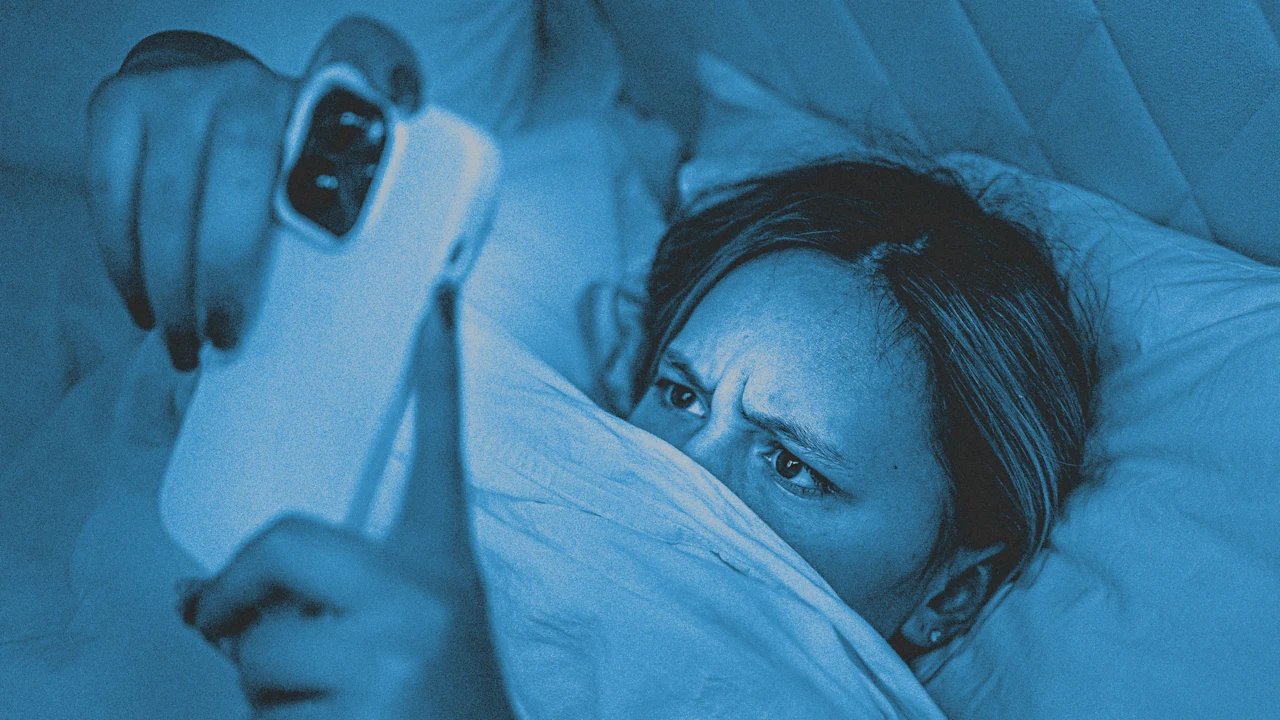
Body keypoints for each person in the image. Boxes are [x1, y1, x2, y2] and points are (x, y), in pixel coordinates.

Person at [86, 28, 1093, 719]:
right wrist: (197, 102)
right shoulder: (500, 409)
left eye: (793, 468)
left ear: (951, 594)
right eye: (681, 395)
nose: (682, 469)